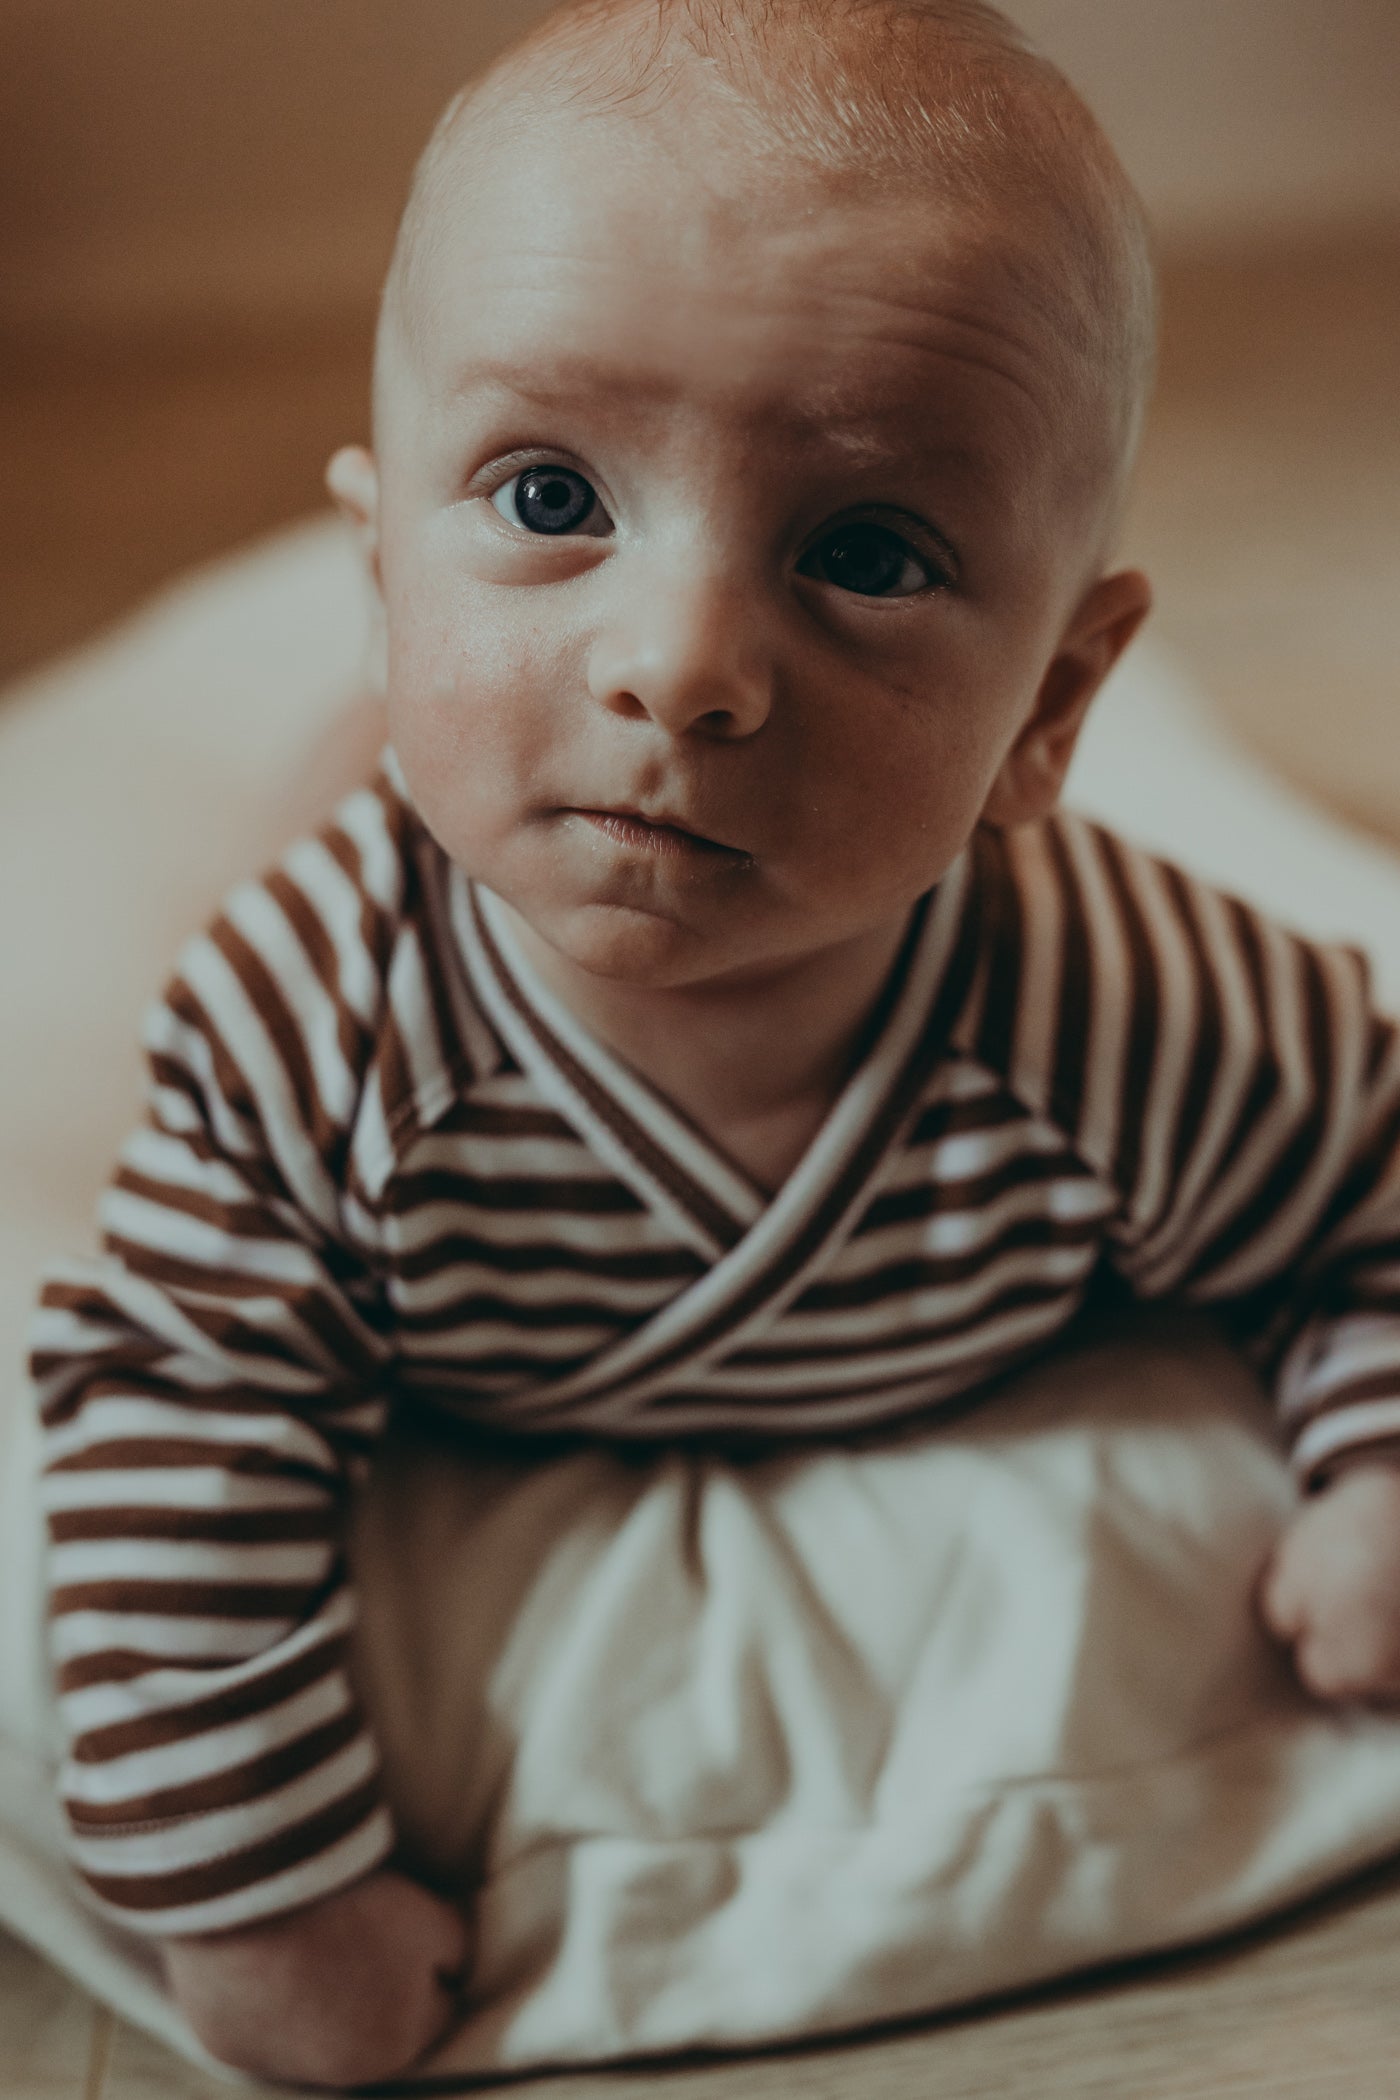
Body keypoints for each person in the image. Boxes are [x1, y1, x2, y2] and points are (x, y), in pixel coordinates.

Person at [28, 0, 1400, 2084]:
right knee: (321, 805)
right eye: (548, 493)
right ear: (382, 562)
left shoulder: (1129, 1014)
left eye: (864, 553)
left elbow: (1370, 1189)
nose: (680, 666)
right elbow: (163, 1434)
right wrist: (263, 1898)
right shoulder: (308, 1033)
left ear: (1051, 701)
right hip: (369, 847)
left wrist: (1375, 1468)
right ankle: (344, 729)